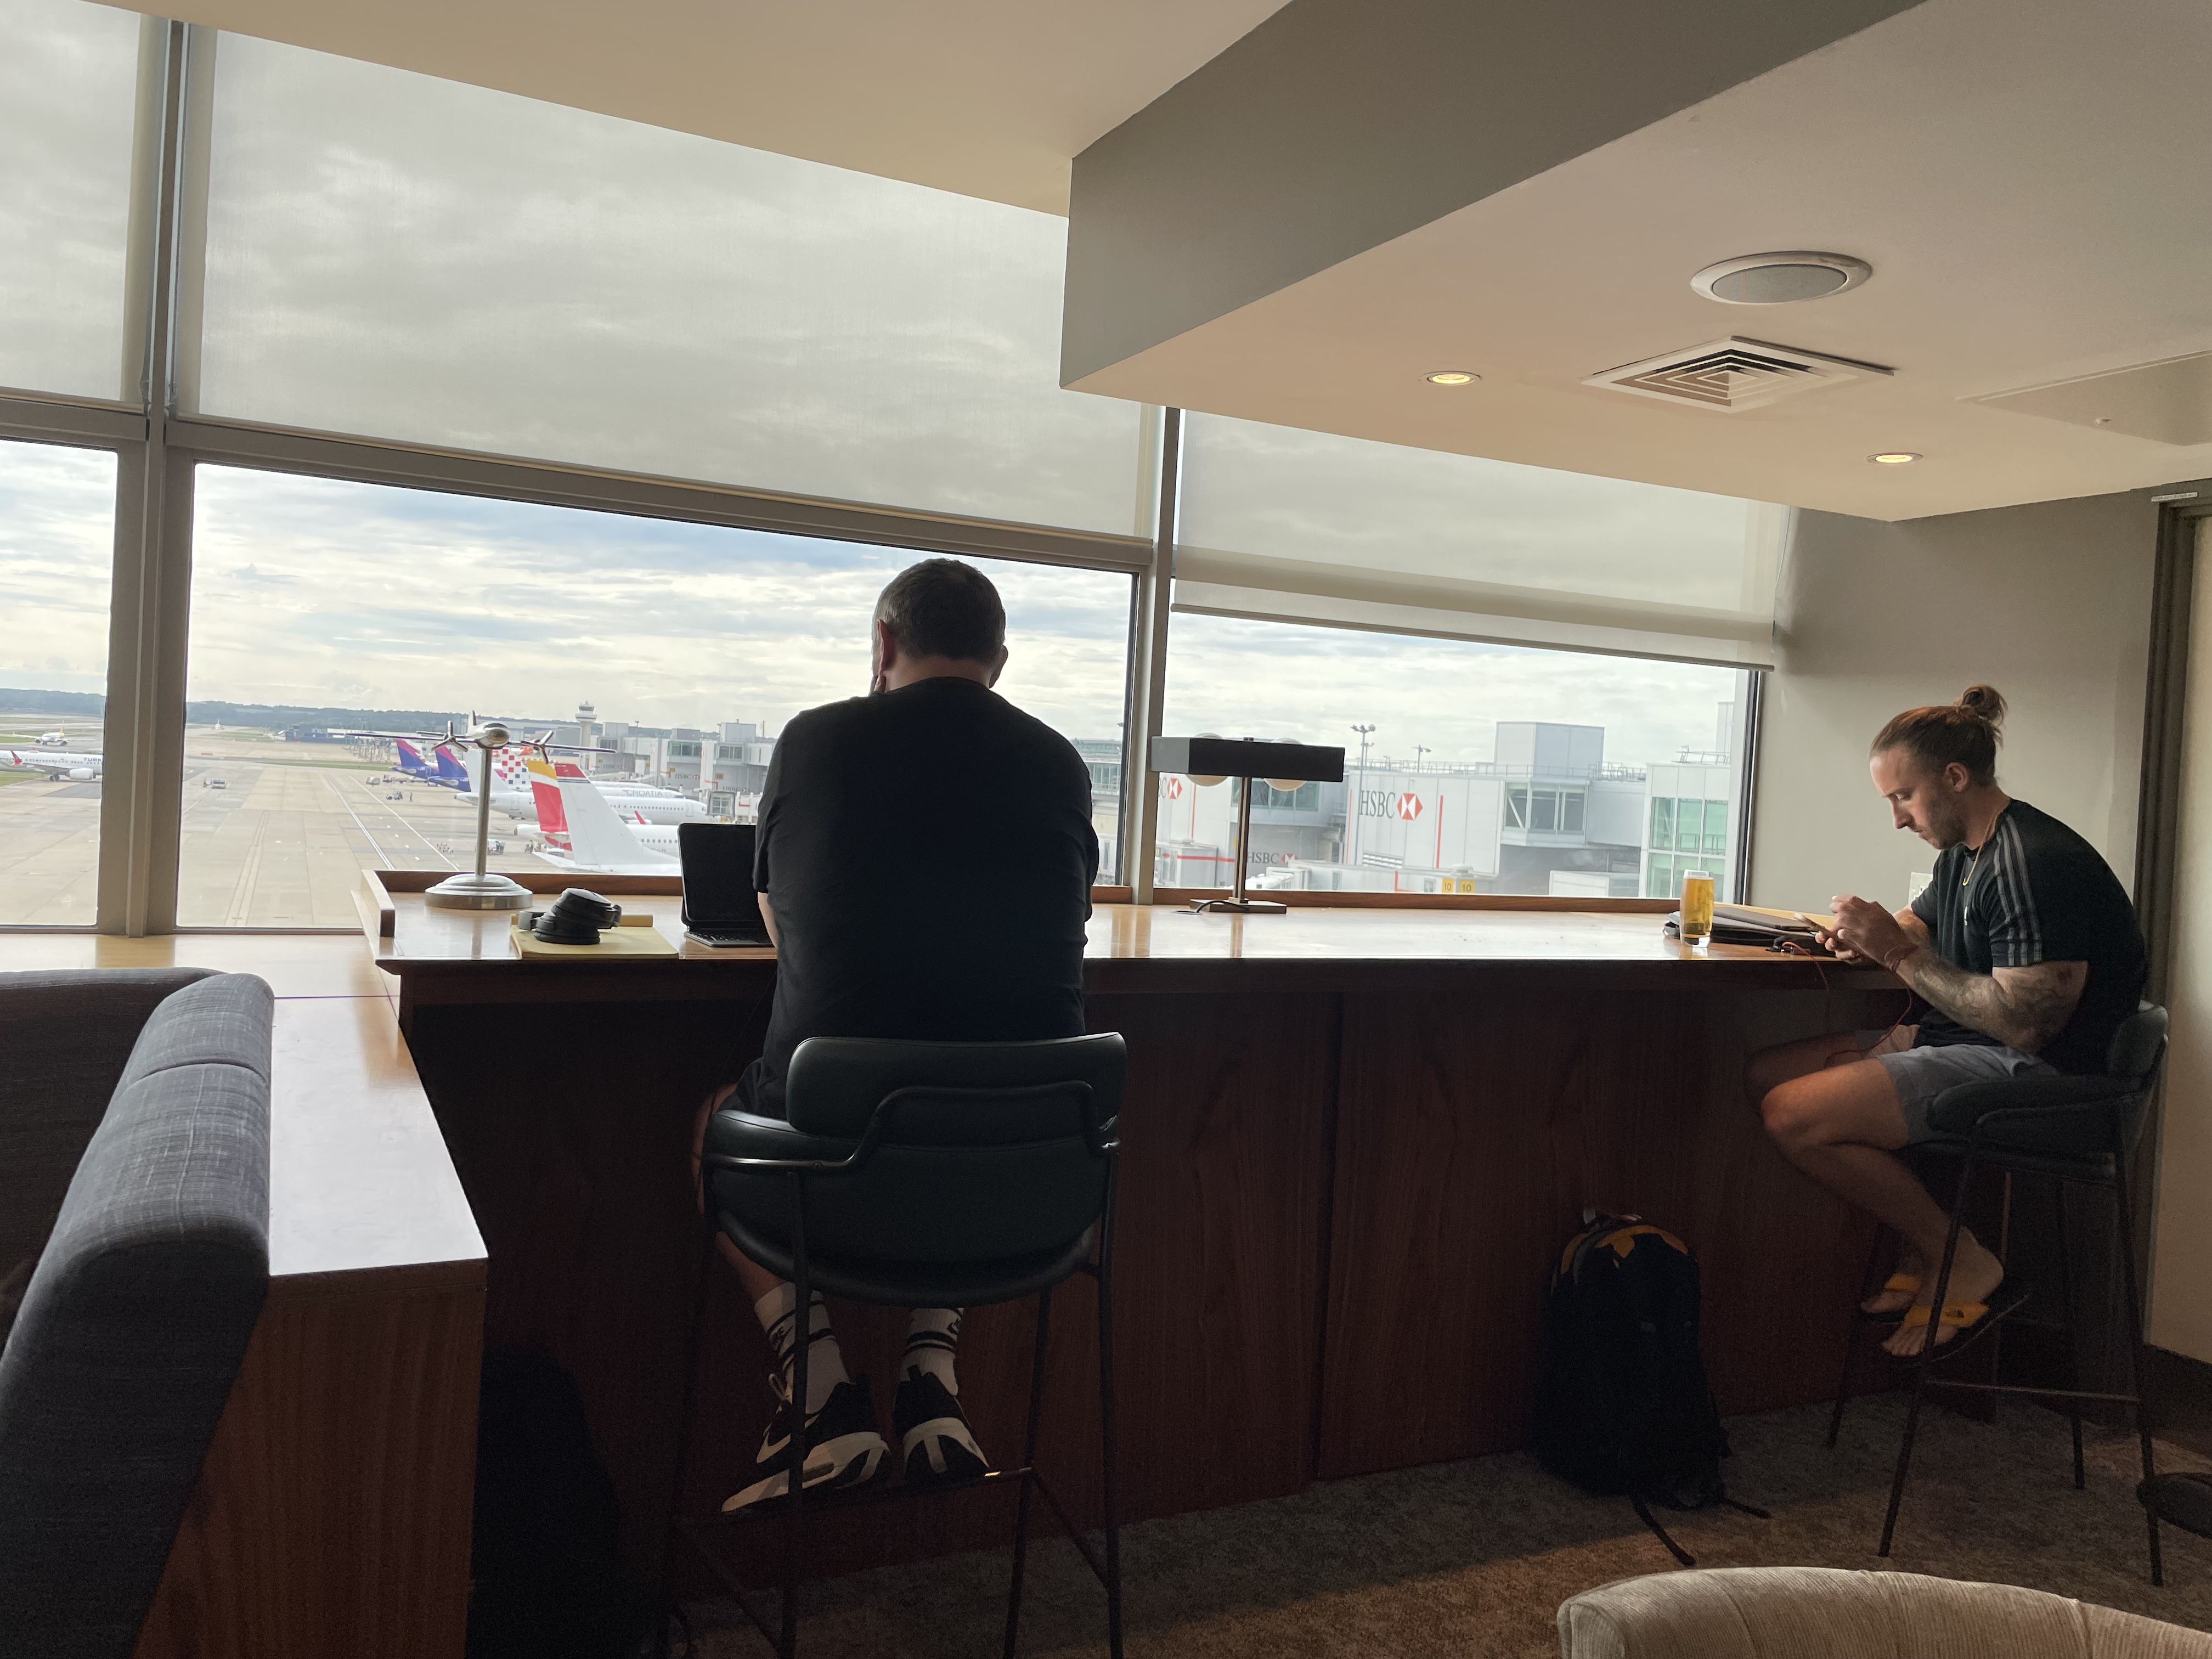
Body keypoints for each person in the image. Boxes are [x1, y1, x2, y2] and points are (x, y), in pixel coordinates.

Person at [692, 557, 1099, 1510]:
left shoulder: (815, 740)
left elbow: (780, 924)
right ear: (998, 660)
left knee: (710, 1120)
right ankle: (931, 1373)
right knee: (966, 1092)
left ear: (882, 643)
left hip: (834, 1177)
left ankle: (821, 1391)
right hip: (1026, 1183)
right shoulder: (1062, 763)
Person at [1745, 686, 2145, 1357]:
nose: (1897, 819)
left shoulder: (2032, 863)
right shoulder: (1965, 851)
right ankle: (1928, 1249)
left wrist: (1895, 952)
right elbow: (1917, 922)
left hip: (2039, 1073)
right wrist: (1863, 936)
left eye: (1903, 797)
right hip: (1963, 1041)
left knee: (1793, 1114)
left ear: (1955, 778)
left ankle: (1955, 1255)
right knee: (1767, 1072)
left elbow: (2026, 1026)